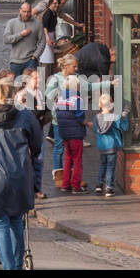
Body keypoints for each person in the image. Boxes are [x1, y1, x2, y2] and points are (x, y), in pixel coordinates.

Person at [0, 80, 40, 270]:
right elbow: (37, 145)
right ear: (12, 95)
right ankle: (16, 266)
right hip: (19, 174)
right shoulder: (25, 116)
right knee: (16, 220)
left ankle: (8, 266)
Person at [54, 66, 88, 194]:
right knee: (77, 160)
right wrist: (88, 124)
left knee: (68, 159)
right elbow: (80, 117)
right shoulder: (77, 100)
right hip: (75, 134)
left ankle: (65, 184)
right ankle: (76, 186)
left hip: (64, 133)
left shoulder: (60, 98)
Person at [20, 67, 49, 199]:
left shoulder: (40, 93)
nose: (39, 80)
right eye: (35, 78)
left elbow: (47, 110)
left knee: (39, 161)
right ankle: (26, 190)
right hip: (26, 134)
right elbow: (27, 116)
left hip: (39, 131)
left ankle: (37, 189)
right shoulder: (22, 95)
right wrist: (39, 114)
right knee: (27, 162)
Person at [93, 93, 129, 197]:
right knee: (110, 167)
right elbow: (124, 127)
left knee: (103, 165)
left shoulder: (96, 117)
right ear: (111, 104)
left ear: (100, 105)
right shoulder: (115, 117)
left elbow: (96, 130)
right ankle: (109, 187)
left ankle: (99, 185)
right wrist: (124, 115)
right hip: (112, 146)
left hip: (102, 146)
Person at [3, 1, 45, 77]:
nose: (26, 14)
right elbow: (6, 39)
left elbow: (42, 41)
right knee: (16, 85)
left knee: (31, 85)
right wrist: (21, 35)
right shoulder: (12, 23)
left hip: (31, 61)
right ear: (20, 10)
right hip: (15, 61)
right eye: (24, 11)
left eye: (28, 12)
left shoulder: (37, 24)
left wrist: (35, 56)